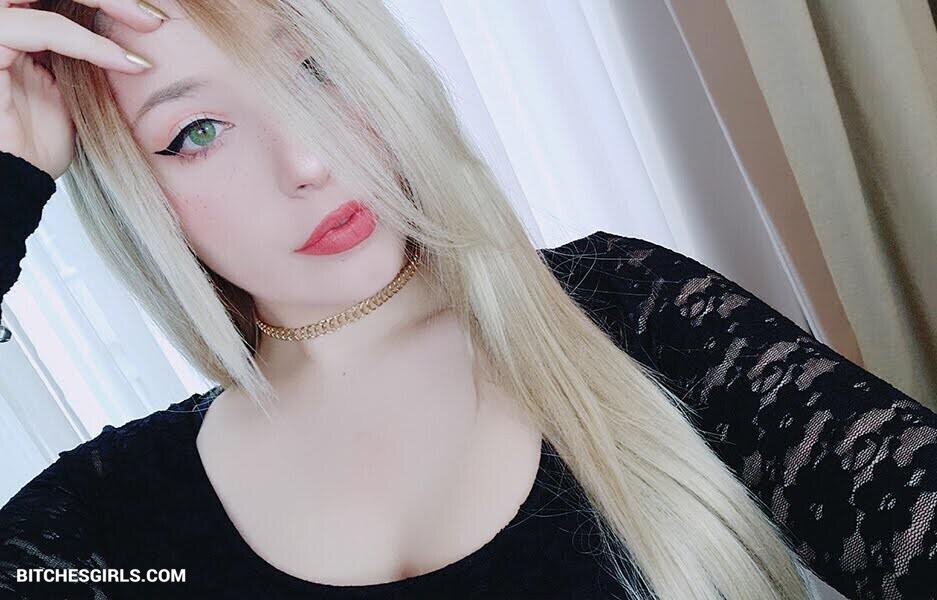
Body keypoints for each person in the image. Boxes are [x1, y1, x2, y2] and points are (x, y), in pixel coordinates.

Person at [0, 0, 933, 598]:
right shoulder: (108, 520)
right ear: (133, 194)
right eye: (198, 130)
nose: (308, 158)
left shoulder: (629, 309)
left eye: (312, 69)